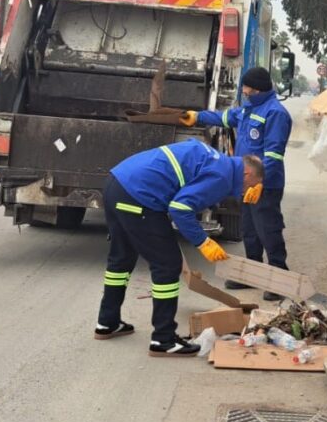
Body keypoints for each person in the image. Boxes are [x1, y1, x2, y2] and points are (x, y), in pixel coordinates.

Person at [95, 139, 265, 358]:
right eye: (252, 186)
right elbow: (180, 208)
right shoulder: (222, 177)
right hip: (139, 196)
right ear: (247, 174)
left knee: (121, 258)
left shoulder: (218, 161)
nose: (247, 193)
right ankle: (163, 340)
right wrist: (203, 242)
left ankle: (107, 323)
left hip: (116, 184)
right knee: (167, 264)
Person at [180, 67, 293, 301]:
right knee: (249, 231)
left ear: (256, 88)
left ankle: (279, 278)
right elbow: (223, 118)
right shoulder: (248, 110)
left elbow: (274, 156)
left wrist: (261, 182)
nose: (243, 90)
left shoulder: (275, 113)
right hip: (245, 181)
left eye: (246, 87)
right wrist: (197, 116)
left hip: (265, 185)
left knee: (268, 230)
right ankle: (252, 275)